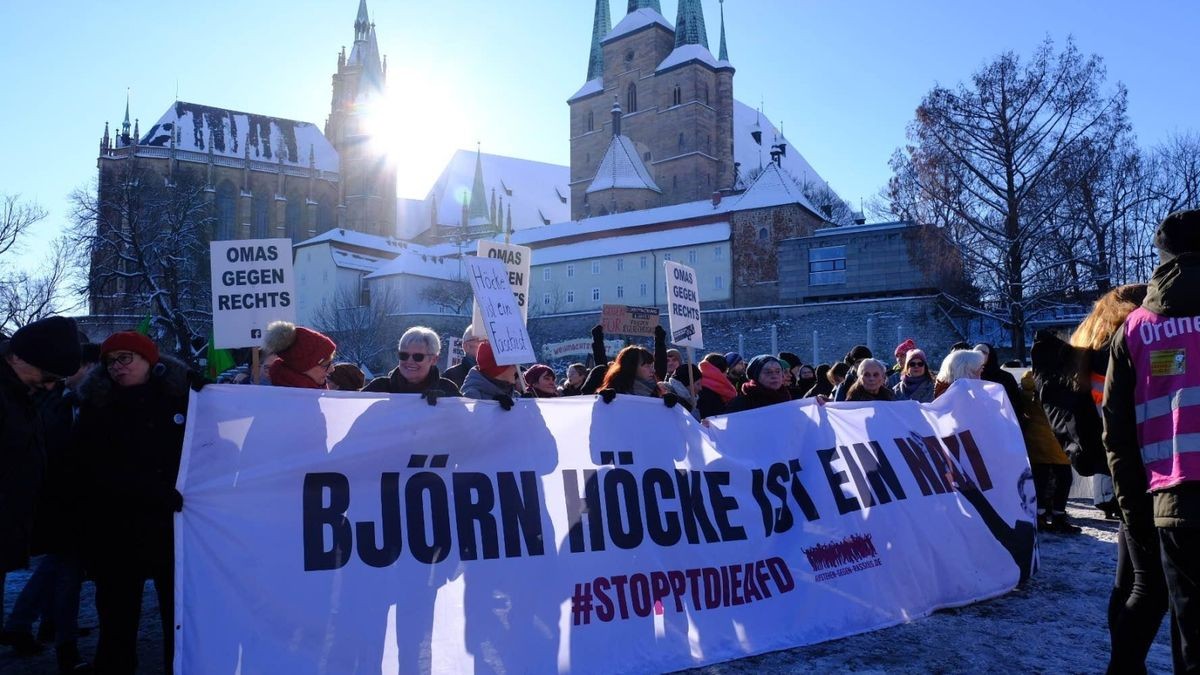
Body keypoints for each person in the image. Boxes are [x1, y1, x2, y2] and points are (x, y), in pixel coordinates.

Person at [1104, 208, 1200, 673]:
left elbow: (1116, 431)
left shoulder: (1136, 329)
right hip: (1172, 500)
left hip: (1172, 500)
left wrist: (1132, 508)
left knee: (1190, 628)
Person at [75, 331, 201, 674]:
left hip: (172, 528)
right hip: (116, 531)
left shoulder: (182, 399)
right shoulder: (95, 405)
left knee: (179, 618)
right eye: (110, 362)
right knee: (117, 623)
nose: (117, 367)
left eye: (125, 358)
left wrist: (213, 396)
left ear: (149, 360)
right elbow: (90, 468)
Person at [4, 343, 98, 671]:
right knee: (65, 571)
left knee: (57, 568)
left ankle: (29, 625)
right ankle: (63, 645)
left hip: (60, 501)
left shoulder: (53, 397)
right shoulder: (56, 399)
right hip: (62, 501)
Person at [1018, 370, 1080, 534]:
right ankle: (1058, 515)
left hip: (1036, 442)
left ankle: (1040, 515)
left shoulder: (1025, 387)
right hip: (1056, 438)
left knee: (1040, 480)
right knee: (1064, 478)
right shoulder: (1056, 383)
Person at [362, 327, 460, 400]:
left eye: (418, 357)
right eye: (404, 355)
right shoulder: (379, 388)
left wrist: (447, 405)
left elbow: (466, 423)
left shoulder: (447, 389)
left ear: (434, 359)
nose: (409, 361)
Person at [263, 321, 337, 389]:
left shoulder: (316, 391)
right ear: (302, 366)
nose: (332, 369)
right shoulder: (276, 399)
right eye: (325, 364)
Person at [460, 340, 521, 407]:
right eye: (513, 364)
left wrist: (528, 406)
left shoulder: (515, 395)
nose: (516, 368)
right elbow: (467, 416)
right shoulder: (472, 396)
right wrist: (491, 406)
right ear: (499, 369)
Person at [725, 354, 792, 413]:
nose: (774, 376)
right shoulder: (739, 405)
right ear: (756, 376)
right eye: (768, 372)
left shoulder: (787, 399)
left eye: (778, 371)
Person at [975, 343, 1024, 420]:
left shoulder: (1006, 377)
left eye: (984, 352)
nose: (980, 355)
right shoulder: (971, 377)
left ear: (991, 355)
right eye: (976, 352)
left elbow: (1017, 404)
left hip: (1004, 421)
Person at [443, 325, 482, 389]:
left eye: (488, 340)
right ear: (466, 346)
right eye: (480, 340)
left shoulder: (498, 375)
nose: (486, 344)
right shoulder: (450, 376)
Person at [697, 353, 735, 418]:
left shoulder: (698, 386)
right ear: (722, 371)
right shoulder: (718, 390)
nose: (727, 374)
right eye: (726, 370)